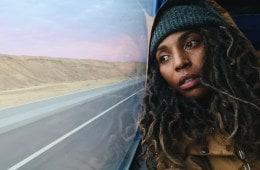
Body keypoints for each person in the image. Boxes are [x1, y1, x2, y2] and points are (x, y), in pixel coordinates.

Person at [138, 0, 260, 169]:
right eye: (164, 58)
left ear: (220, 43)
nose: (179, 63)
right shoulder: (171, 149)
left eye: (191, 44)